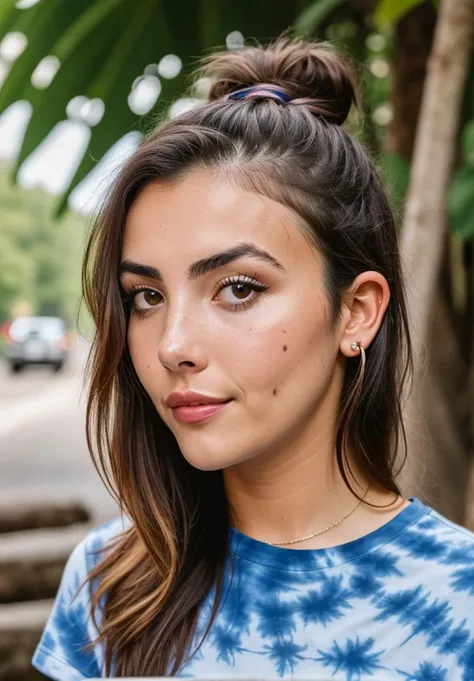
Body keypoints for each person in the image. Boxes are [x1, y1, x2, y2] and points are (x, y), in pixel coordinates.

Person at [32, 38, 474, 681]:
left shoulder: (458, 605)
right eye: (147, 296)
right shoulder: (112, 587)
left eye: (237, 288)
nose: (173, 345)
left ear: (356, 312)